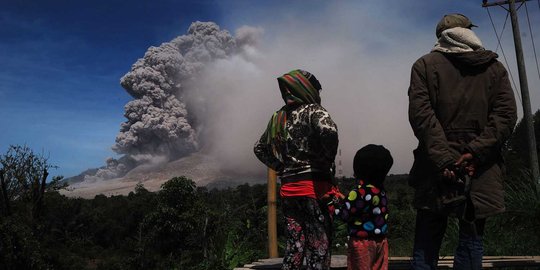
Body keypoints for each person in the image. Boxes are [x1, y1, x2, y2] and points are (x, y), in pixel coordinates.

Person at [407, 13, 517, 269]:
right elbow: (506, 116)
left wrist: (444, 159)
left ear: (440, 37)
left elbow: (422, 117)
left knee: (426, 243)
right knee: (471, 241)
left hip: (434, 170)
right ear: (468, 32)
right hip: (480, 170)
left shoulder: (424, 66)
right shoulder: (494, 69)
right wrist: (474, 153)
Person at [254, 69, 340, 270]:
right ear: (306, 88)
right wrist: (326, 159)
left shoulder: (278, 117)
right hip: (314, 189)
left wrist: (280, 167)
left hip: (289, 192)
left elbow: (259, 147)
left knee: (295, 246)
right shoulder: (314, 110)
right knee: (318, 246)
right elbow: (328, 131)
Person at [335, 144, 393, 270]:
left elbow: (344, 215)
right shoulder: (380, 191)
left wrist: (330, 204)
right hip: (381, 241)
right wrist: (346, 199)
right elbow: (365, 207)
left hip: (362, 243)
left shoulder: (358, 192)